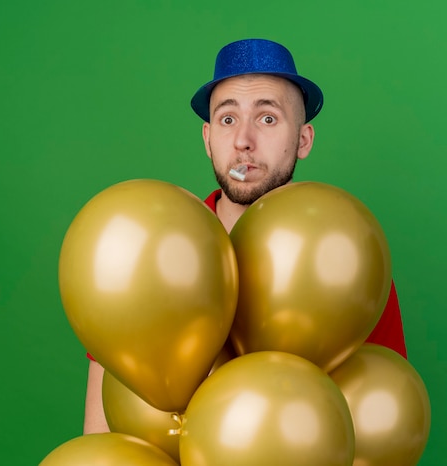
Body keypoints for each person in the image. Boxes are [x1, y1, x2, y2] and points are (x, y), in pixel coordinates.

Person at [83, 38, 407, 434]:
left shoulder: (346, 258)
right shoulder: (148, 251)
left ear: (303, 140)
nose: (243, 141)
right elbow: (102, 436)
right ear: (207, 139)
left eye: (268, 118)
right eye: (228, 119)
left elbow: (381, 405)